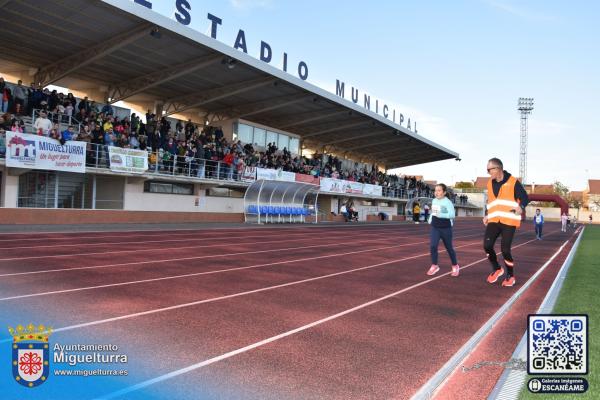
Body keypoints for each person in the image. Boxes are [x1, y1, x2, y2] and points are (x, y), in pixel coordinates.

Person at [483, 157, 529, 287]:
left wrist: (522, 207)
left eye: (489, 169)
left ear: (498, 168)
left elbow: (525, 197)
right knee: (487, 246)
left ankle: (510, 275)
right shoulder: (489, 183)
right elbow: (491, 202)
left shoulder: (513, 182)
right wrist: (487, 215)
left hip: (509, 220)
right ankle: (497, 269)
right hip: (494, 220)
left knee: (505, 250)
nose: (488, 172)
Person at [426, 184, 460, 277]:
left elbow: (452, 215)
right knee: (433, 246)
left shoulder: (448, 202)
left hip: (446, 228)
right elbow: (434, 212)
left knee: (449, 248)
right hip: (435, 227)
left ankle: (455, 265)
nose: (436, 192)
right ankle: (434, 265)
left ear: (444, 192)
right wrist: (430, 218)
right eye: (435, 190)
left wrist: (440, 215)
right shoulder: (434, 200)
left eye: (439, 190)